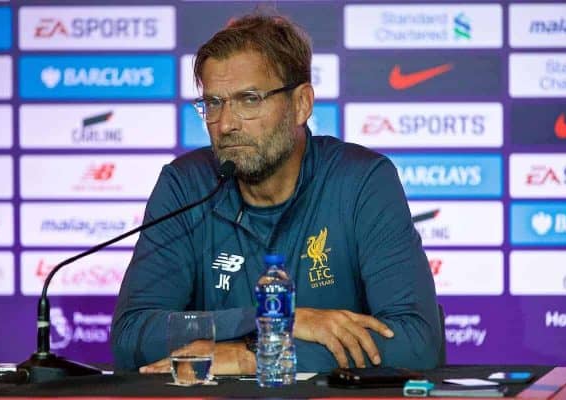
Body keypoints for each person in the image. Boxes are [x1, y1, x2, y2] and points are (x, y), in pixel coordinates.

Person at [111, 12, 442, 375]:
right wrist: (271, 320)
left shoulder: (362, 181)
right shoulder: (185, 185)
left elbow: (416, 343)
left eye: (249, 99)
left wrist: (247, 357)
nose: (226, 124)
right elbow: (132, 338)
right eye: (214, 103)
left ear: (301, 103)